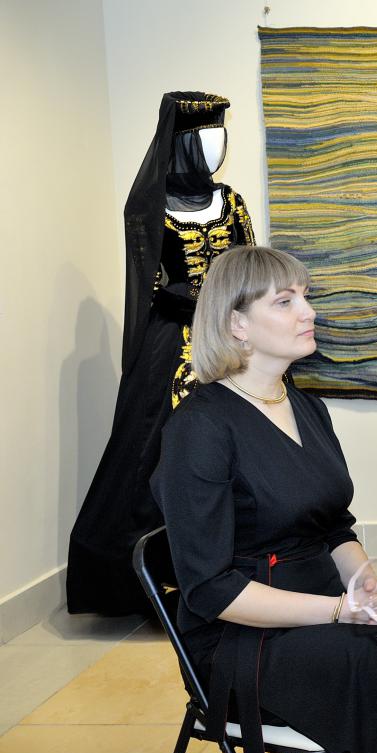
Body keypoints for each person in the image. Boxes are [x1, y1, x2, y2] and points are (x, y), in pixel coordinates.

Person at [151, 246, 377, 753]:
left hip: (321, 609)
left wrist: (367, 586)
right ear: (237, 324)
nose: (309, 311)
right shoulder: (199, 428)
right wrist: (343, 611)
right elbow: (211, 590)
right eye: (285, 301)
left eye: (306, 296)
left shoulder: (305, 406)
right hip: (244, 640)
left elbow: (333, 526)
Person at [70, 92, 255, 615]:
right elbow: (152, 284)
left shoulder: (232, 201)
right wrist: (200, 302)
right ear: (183, 146)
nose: (217, 150)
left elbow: (250, 271)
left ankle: (245, 568)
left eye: (221, 139)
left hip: (233, 338)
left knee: (247, 446)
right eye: (206, 140)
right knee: (149, 453)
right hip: (171, 344)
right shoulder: (147, 209)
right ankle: (149, 581)